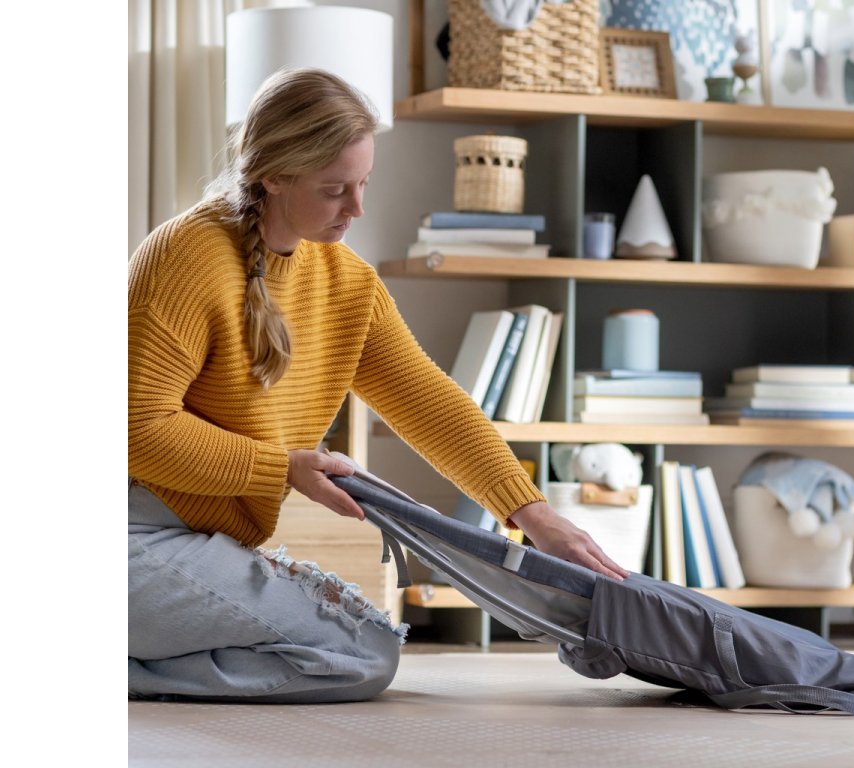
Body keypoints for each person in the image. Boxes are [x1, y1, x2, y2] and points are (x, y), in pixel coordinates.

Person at [128, 67, 628, 703]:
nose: (357, 208)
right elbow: (135, 429)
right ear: (273, 174)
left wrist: (535, 516)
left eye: (363, 183)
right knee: (357, 655)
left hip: (199, 542)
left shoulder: (349, 285)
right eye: (335, 189)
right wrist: (282, 469)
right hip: (131, 533)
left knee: (367, 648)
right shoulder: (185, 254)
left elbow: (432, 405)